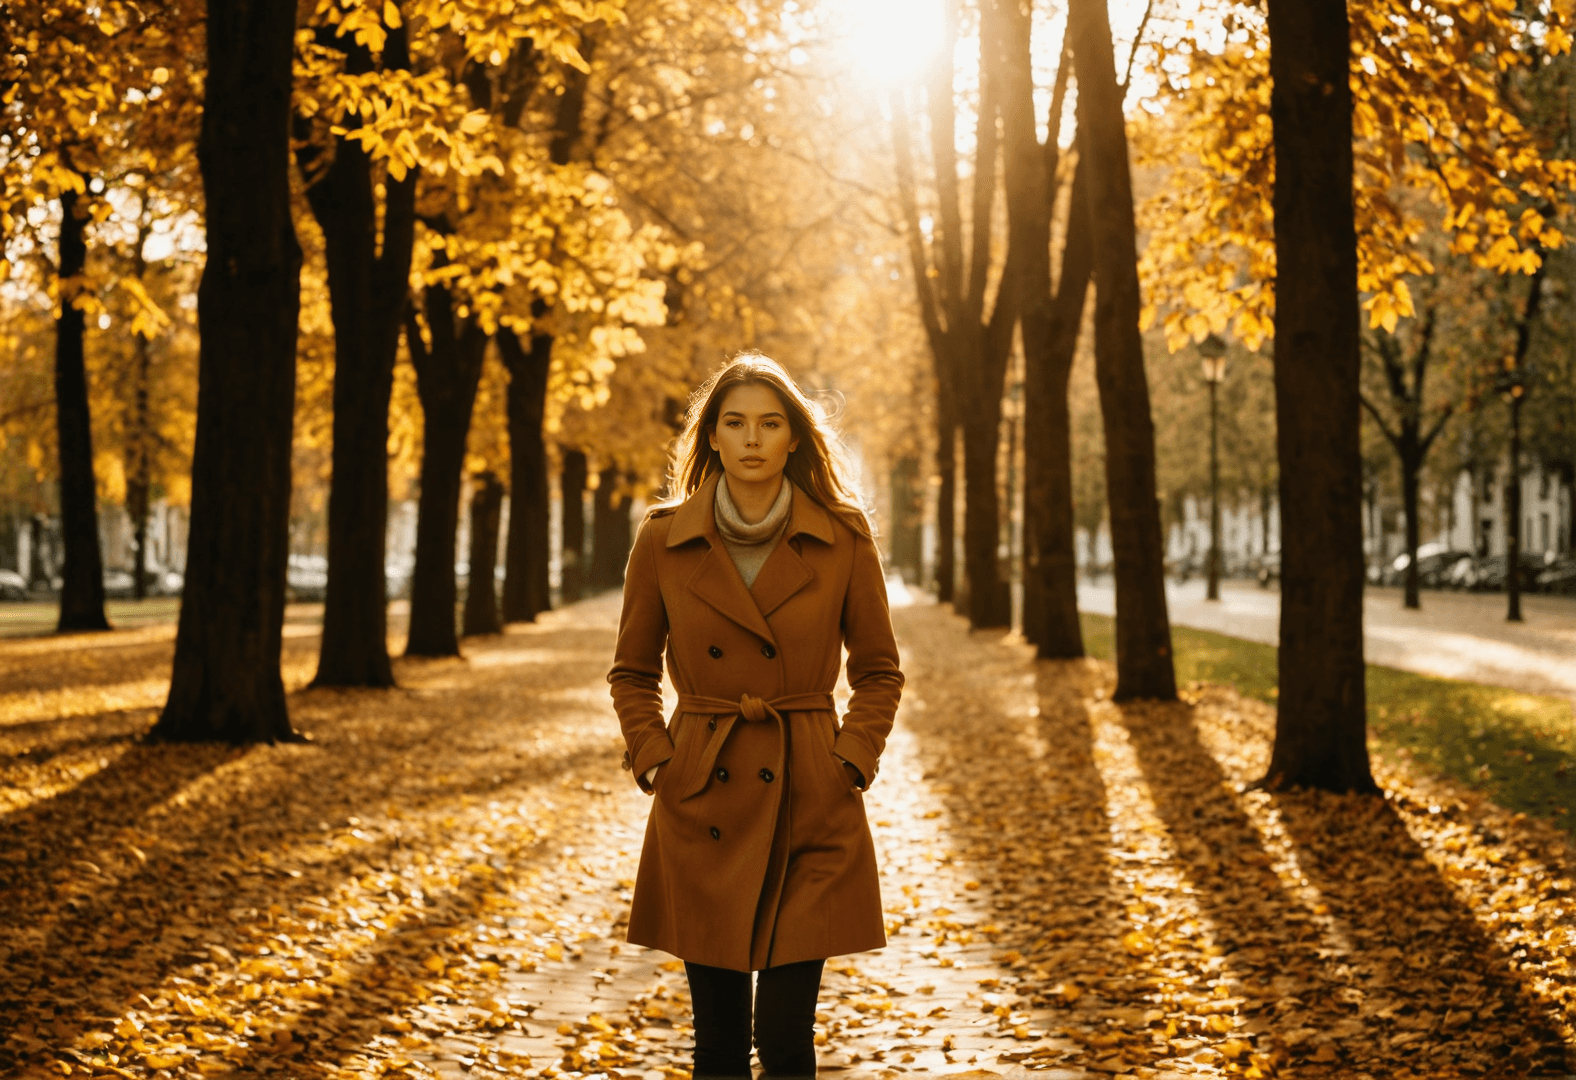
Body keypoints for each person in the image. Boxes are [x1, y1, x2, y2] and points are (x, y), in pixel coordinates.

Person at [608, 353, 904, 1078]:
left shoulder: (842, 535)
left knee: (785, 1039)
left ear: (794, 437)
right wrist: (658, 761)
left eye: (770, 424)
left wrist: (850, 761)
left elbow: (878, 671)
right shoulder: (663, 538)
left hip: (810, 796)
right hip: (702, 795)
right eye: (735, 423)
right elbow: (632, 672)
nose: (751, 439)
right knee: (717, 1047)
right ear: (711, 436)